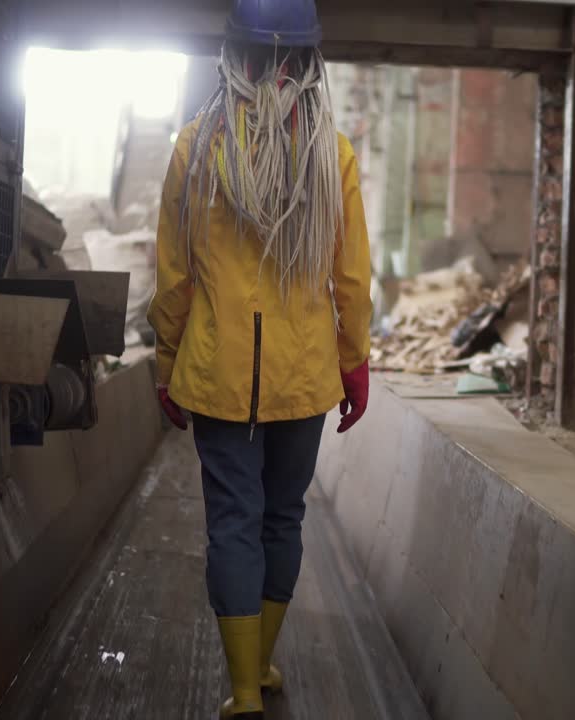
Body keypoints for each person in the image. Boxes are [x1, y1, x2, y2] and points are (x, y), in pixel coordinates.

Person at [147, 1, 372, 717]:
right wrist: (354, 363)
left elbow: (174, 276)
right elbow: (352, 279)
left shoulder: (197, 148)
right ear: (307, 58)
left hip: (217, 375)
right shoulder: (330, 154)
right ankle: (262, 663)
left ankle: (244, 687)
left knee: (233, 523)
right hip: (302, 379)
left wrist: (167, 361)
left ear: (233, 52)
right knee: (282, 519)